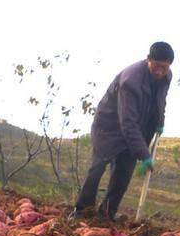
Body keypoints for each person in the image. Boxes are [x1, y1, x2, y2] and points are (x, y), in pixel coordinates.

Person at [73, 42, 174, 221]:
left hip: (136, 127)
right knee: (98, 166)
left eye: (164, 67)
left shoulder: (166, 76)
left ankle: (107, 214)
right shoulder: (131, 81)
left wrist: (160, 122)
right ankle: (82, 211)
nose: (159, 71)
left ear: (169, 65)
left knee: (124, 171)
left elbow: (161, 101)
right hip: (109, 126)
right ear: (148, 59)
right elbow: (127, 122)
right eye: (156, 66)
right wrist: (144, 154)